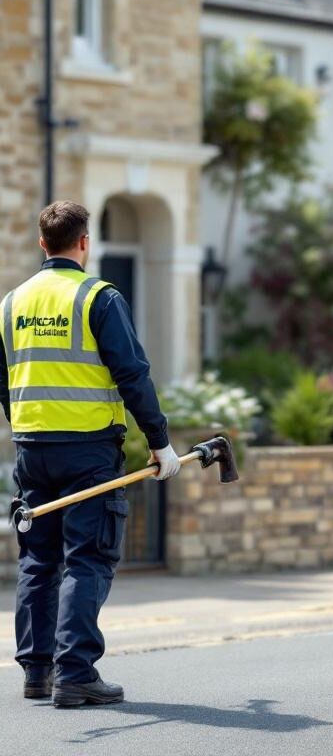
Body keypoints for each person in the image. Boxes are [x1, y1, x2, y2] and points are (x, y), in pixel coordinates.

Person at [0, 201, 182, 707]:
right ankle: (75, 672)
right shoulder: (98, 297)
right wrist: (161, 442)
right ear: (86, 242)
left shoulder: (11, 303)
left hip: (32, 448)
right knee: (87, 557)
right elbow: (132, 374)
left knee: (39, 557)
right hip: (88, 450)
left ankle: (37, 671)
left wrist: (25, 427)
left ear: (43, 243)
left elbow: (3, 380)